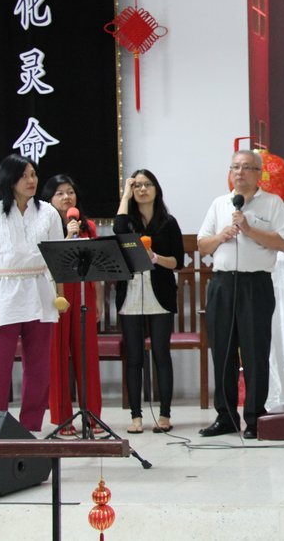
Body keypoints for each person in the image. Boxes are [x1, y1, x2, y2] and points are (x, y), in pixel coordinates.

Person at [0, 154, 64, 432]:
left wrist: (60, 294)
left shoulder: (48, 213)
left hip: (40, 292)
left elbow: (58, 257)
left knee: (38, 365)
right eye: (24, 176)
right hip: (3, 295)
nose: (31, 180)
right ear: (10, 180)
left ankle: (30, 425)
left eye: (33, 174)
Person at [197, 150, 284, 439]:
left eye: (247, 167)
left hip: (256, 285)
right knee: (222, 352)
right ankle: (225, 417)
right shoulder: (219, 204)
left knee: (255, 353)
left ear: (258, 173)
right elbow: (202, 246)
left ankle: (255, 417)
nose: (240, 172)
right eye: (235, 167)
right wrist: (221, 236)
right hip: (222, 284)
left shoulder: (272, 203)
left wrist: (248, 229)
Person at [113, 169, 185, 434]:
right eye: (137, 186)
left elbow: (178, 262)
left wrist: (155, 258)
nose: (142, 190)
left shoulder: (168, 222)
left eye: (147, 185)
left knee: (161, 353)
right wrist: (124, 195)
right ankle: (136, 417)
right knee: (134, 356)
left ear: (156, 189)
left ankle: (164, 415)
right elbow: (118, 230)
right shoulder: (128, 222)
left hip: (160, 293)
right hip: (131, 292)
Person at [41, 174, 104, 436]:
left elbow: (96, 265)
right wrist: (67, 237)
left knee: (87, 353)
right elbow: (47, 262)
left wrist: (98, 298)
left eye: (70, 192)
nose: (67, 197)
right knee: (57, 355)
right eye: (59, 193)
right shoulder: (44, 224)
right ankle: (62, 418)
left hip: (83, 291)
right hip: (55, 293)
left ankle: (93, 416)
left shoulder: (88, 226)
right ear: (49, 199)